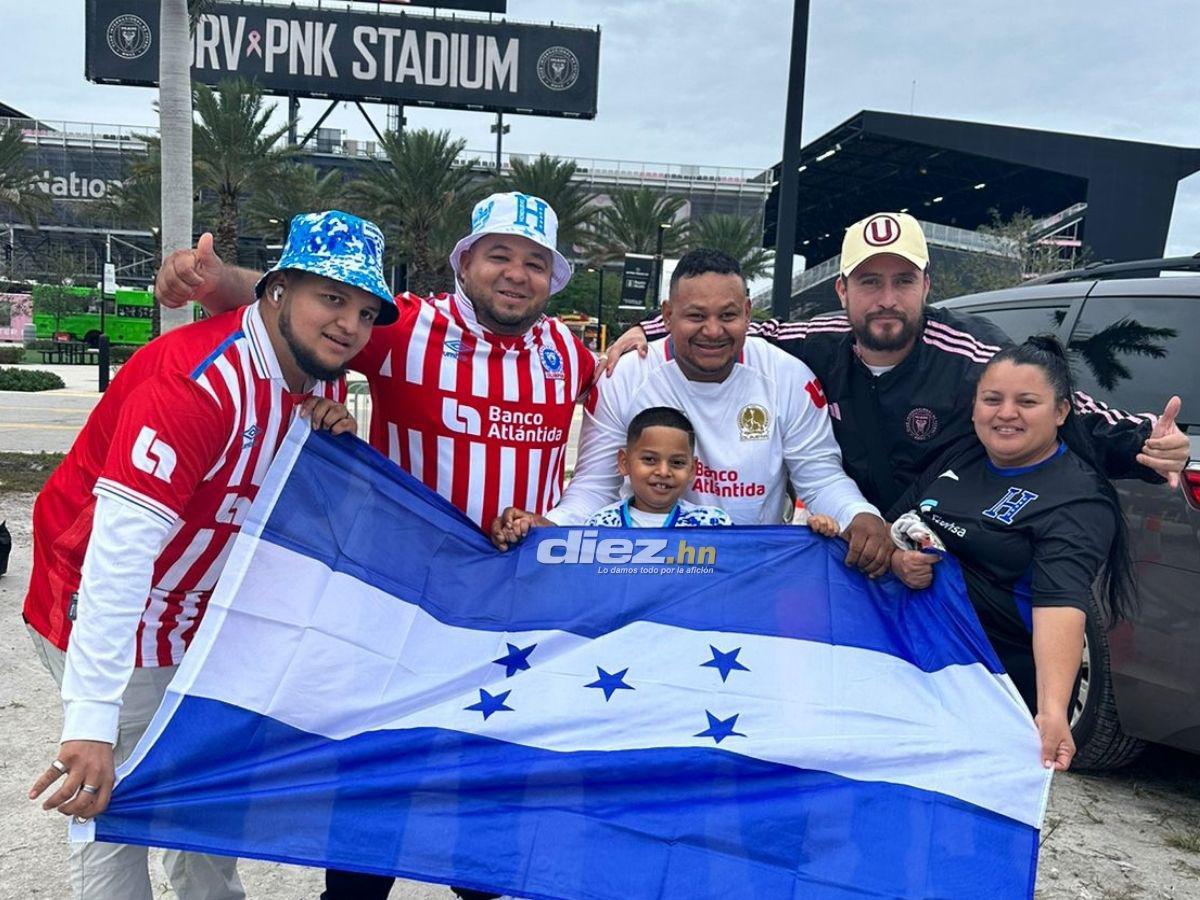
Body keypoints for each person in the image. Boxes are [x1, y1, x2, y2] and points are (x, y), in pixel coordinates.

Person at [156, 193, 592, 899]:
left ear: (553, 279)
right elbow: (311, 311)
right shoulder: (411, 327)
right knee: (377, 784)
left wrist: (646, 343)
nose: (517, 275)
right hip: (397, 601)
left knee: (487, 789)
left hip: (509, 611)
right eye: (500, 256)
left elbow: (622, 432)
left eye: (535, 263)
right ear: (466, 262)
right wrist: (211, 278)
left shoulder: (571, 355)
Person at [24, 210, 394, 900]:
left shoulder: (320, 378)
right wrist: (90, 717)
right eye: (333, 298)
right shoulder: (197, 382)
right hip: (106, 597)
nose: (350, 325)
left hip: (205, 612)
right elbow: (119, 556)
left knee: (208, 793)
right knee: (115, 797)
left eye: (366, 311)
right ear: (278, 291)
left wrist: (332, 449)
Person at [607, 212, 1189, 511]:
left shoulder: (971, 358)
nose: (886, 298)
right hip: (848, 550)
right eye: (870, 281)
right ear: (843, 291)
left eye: (902, 280)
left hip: (946, 560)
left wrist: (1141, 442)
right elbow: (732, 325)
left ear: (925, 285)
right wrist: (648, 328)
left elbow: (1058, 404)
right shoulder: (817, 342)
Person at [537, 248, 893, 576]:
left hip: (750, 572)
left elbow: (820, 477)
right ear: (667, 315)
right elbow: (595, 486)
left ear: (748, 313)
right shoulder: (624, 378)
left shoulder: (788, 377)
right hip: (642, 570)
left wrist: (859, 514)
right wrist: (553, 525)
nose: (712, 330)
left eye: (728, 315)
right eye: (695, 316)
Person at [886, 336, 1142, 772]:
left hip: (992, 692)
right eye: (992, 399)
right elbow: (894, 522)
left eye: (1027, 401)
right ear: (974, 407)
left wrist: (1053, 710)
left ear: (1061, 412)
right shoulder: (964, 453)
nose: (1006, 413)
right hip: (913, 676)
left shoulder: (1077, 498)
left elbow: (1060, 603)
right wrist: (899, 561)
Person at [491, 406, 733, 550]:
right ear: (624, 463)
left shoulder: (713, 525)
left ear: (693, 470)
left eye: (677, 463)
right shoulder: (601, 525)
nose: (663, 471)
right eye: (649, 459)